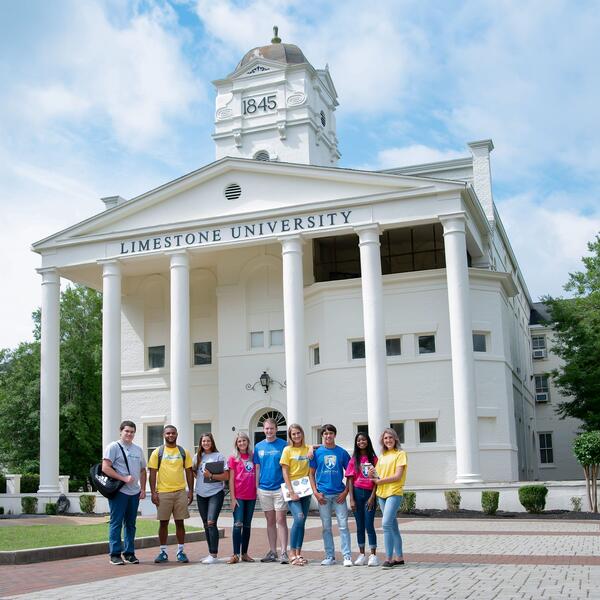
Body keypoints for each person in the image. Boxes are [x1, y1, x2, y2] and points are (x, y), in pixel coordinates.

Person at [102, 420, 147, 565]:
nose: (129, 434)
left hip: (134, 492)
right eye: (127, 431)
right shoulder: (113, 447)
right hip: (119, 492)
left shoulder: (138, 450)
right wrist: (123, 478)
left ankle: (129, 553)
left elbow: (142, 470)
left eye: (132, 432)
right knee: (116, 523)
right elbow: (105, 467)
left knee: (131, 524)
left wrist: (143, 488)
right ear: (121, 431)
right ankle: (114, 554)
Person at [148, 425, 194, 564]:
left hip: (180, 492)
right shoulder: (158, 452)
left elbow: (189, 471)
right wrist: (153, 492)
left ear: (177, 434)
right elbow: (152, 473)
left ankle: (180, 552)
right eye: (168, 433)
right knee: (163, 523)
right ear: (164, 434)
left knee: (180, 522)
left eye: (173, 433)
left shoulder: (183, 451)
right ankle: (163, 552)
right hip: (163, 493)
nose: (170, 435)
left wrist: (190, 491)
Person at [309, 423, 352, 567]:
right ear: (322, 436)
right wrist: (316, 493)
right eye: (325, 433)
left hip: (339, 495)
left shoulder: (342, 453)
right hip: (323, 496)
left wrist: (346, 492)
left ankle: (347, 556)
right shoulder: (317, 453)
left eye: (331, 433)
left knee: (343, 526)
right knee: (326, 527)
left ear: (335, 435)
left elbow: (350, 474)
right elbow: (311, 474)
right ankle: (330, 556)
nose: (328, 436)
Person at [369, 427, 407, 569]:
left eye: (390, 437)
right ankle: (400, 557)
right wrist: (372, 473)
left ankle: (389, 559)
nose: (388, 440)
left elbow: (397, 476)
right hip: (381, 493)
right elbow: (378, 476)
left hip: (394, 492)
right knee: (393, 526)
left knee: (386, 524)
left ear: (395, 439)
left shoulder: (400, 454)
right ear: (382, 441)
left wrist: (380, 481)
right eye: (385, 438)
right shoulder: (382, 456)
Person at [253, 417, 289, 563]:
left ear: (276, 429)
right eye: (266, 428)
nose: (269, 431)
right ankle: (273, 551)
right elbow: (257, 468)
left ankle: (284, 552)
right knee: (270, 521)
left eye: (271, 428)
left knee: (281, 519)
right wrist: (256, 488)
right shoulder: (258, 447)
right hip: (264, 488)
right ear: (263, 430)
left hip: (280, 487)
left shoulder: (284, 445)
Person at [192, 432, 229, 564]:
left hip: (215, 493)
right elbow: (195, 473)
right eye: (203, 441)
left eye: (208, 441)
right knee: (205, 524)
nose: (206, 443)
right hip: (201, 494)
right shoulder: (197, 457)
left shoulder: (219, 456)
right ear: (200, 443)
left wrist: (211, 476)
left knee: (211, 522)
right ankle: (210, 554)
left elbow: (226, 476)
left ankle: (214, 555)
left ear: (212, 442)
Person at [346, 432, 379, 566]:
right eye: (358, 441)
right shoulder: (354, 459)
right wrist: (351, 499)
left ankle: (373, 555)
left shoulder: (374, 458)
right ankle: (361, 554)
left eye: (363, 440)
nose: (361, 442)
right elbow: (350, 479)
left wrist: (372, 496)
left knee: (369, 525)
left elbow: (378, 479)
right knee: (359, 526)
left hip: (370, 494)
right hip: (357, 494)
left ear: (367, 441)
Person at [280, 424, 311, 566]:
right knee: (298, 518)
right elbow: (285, 472)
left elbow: (317, 446)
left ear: (302, 434)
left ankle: (299, 553)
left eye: (298, 433)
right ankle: (291, 552)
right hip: (292, 489)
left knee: (302, 521)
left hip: (305, 489)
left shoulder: (307, 449)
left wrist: (311, 449)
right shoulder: (287, 450)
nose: (296, 436)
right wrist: (291, 491)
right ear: (290, 436)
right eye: (293, 434)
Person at [227, 432, 257, 564]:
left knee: (247, 525)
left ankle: (244, 553)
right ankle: (235, 554)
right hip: (239, 496)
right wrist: (233, 498)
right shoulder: (233, 458)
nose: (242, 443)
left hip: (251, 496)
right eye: (239, 441)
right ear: (236, 444)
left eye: (244, 441)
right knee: (237, 524)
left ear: (248, 442)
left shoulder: (253, 457)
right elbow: (231, 479)